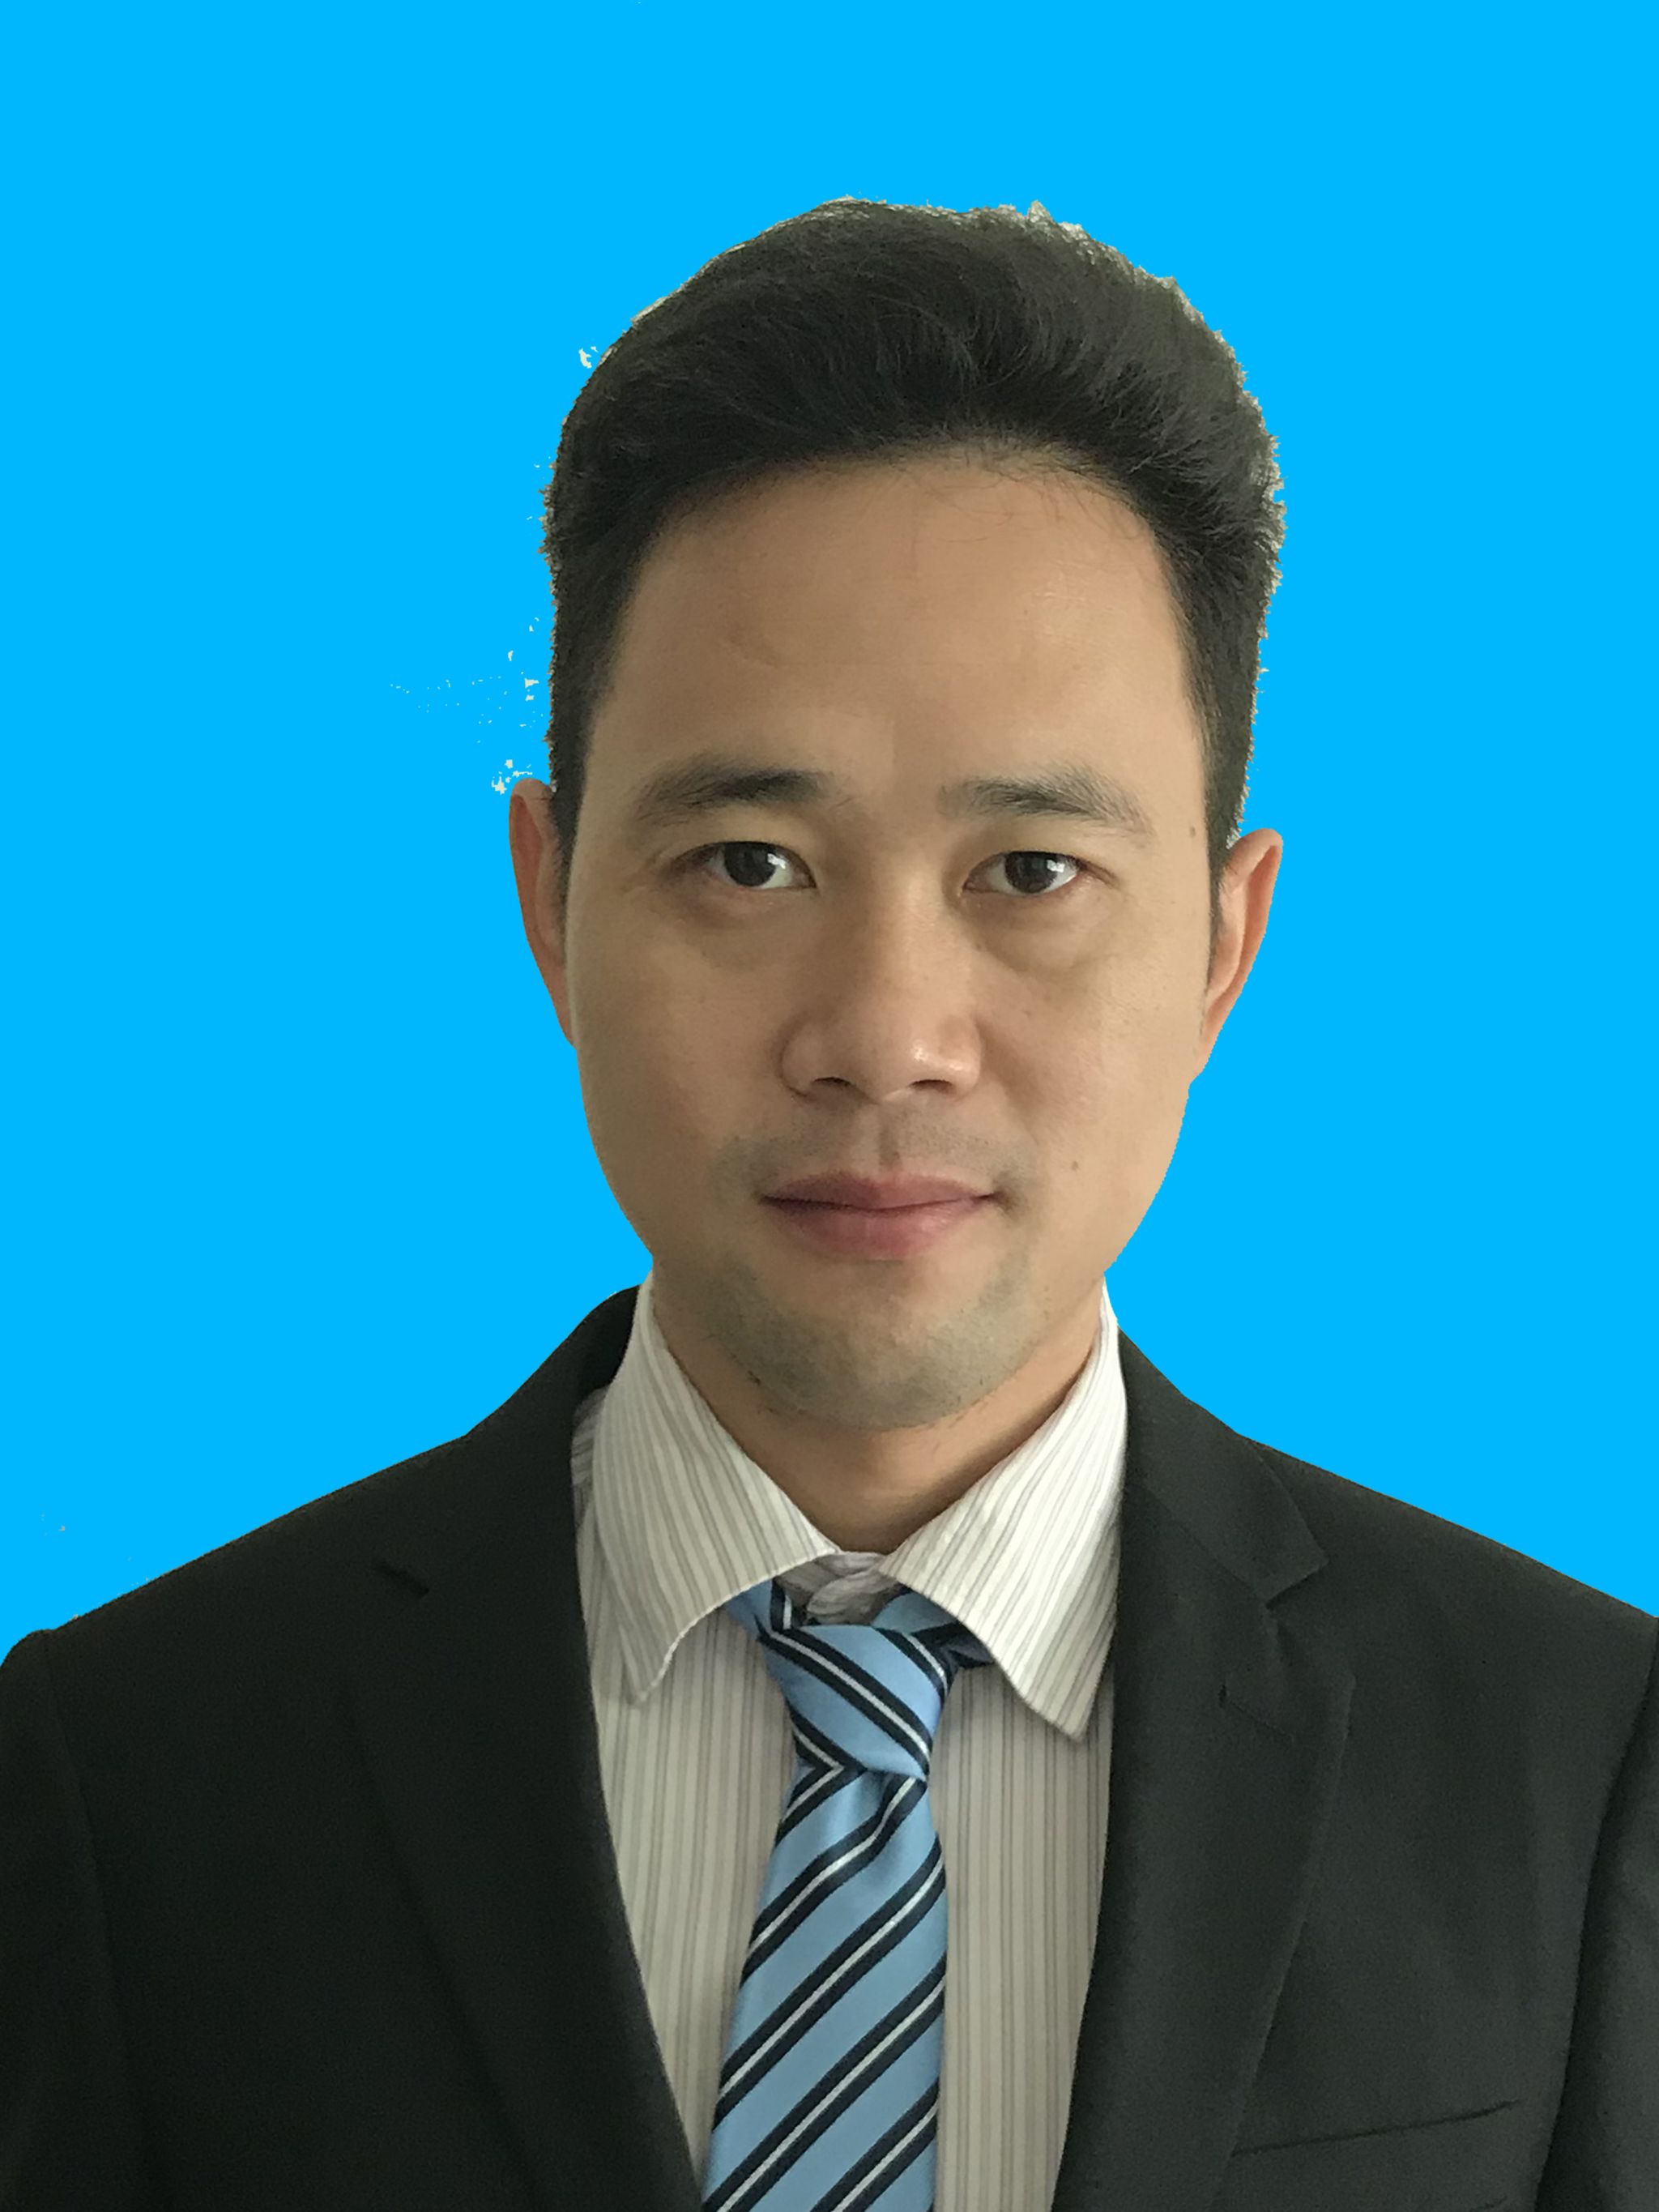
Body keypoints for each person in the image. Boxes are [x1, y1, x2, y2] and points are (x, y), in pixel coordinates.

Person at [2, 198, 1653, 2212]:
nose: (884, 1037)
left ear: (1224, 945)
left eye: (1030, 872)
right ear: (551, 900)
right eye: (748, 864)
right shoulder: (123, 1775)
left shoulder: (1579, 1765)